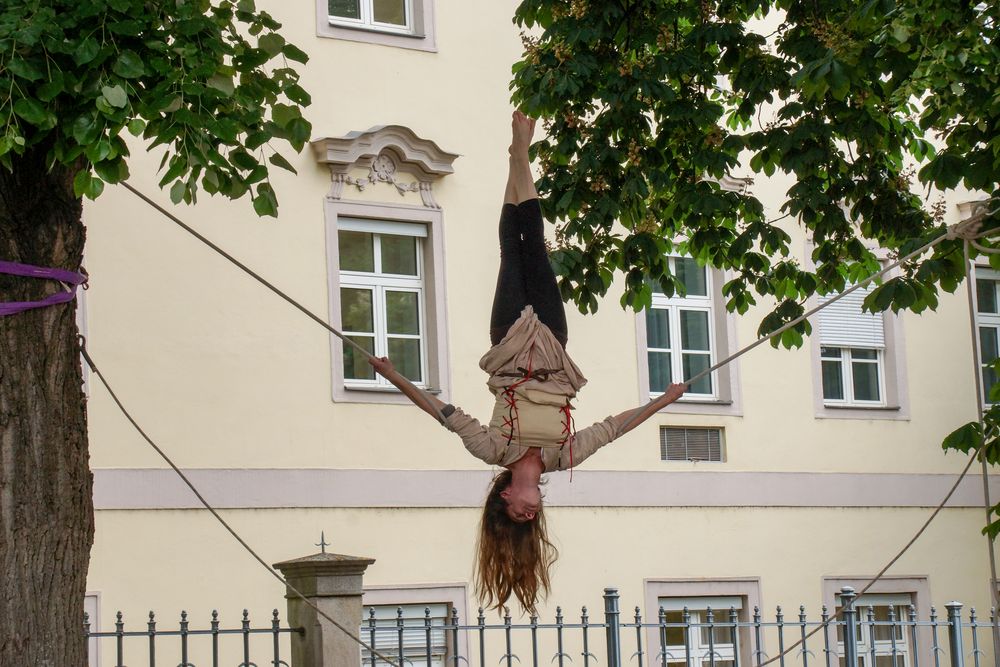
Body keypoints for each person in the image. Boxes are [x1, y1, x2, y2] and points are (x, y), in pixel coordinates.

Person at [368, 111, 687, 613]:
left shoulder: (494, 449)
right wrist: (663, 402)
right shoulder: (563, 458)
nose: (529, 514)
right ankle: (521, 154)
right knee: (535, 247)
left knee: (510, 254)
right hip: (554, 346)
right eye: (530, 520)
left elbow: (441, 412)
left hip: (513, 342)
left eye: (518, 516)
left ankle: (519, 156)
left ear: (504, 501)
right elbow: (614, 428)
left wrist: (393, 376)